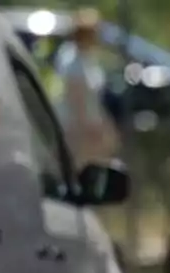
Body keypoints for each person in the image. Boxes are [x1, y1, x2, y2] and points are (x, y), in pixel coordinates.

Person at [54, 8, 118, 167]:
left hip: (89, 124)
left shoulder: (87, 60)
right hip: (77, 128)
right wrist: (90, 129)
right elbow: (77, 99)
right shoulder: (73, 62)